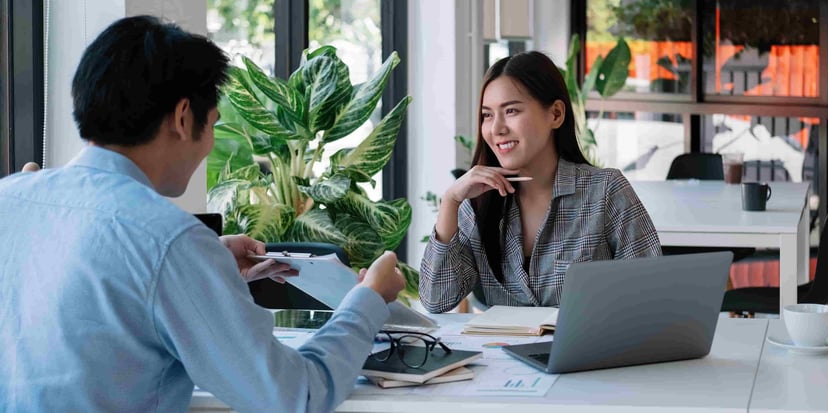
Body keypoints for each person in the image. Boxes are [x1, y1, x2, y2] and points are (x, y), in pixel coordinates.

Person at [0, 16, 405, 412]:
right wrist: (366, 301)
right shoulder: (167, 239)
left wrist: (207, 266)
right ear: (182, 118)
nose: (210, 143)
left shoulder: (9, 198)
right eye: (211, 123)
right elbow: (295, 395)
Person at [419, 51, 661, 313]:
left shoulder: (605, 191)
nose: (496, 128)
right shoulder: (479, 202)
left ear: (555, 114)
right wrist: (450, 202)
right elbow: (436, 300)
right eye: (487, 115)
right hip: (501, 353)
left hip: (585, 352)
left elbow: (650, 294)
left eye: (511, 111)